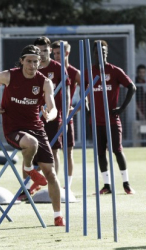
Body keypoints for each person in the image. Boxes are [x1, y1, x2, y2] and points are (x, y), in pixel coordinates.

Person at [0, 44, 65, 226]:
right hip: (13, 128)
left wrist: (49, 115)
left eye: (35, 61)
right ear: (21, 61)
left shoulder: (45, 82)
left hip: (36, 127)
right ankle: (29, 169)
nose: (32, 65)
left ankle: (58, 215)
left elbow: (52, 108)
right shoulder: (9, 75)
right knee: (31, 143)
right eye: (28, 61)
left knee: (51, 174)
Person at [16, 36, 70, 200]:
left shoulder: (59, 68)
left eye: (46, 51)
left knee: (54, 151)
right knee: (30, 152)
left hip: (52, 117)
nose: (43, 54)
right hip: (32, 119)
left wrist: (65, 117)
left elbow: (66, 93)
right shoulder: (29, 68)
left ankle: (55, 185)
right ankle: (25, 188)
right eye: (39, 51)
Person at [85, 40, 136, 195]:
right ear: (93, 53)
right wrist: (87, 109)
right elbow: (83, 92)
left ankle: (126, 183)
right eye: (98, 52)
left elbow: (131, 87)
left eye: (104, 52)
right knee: (100, 153)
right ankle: (107, 185)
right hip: (96, 121)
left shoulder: (114, 70)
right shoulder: (88, 72)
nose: (101, 54)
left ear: (107, 53)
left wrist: (122, 108)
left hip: (112, 120)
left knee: (117, 150)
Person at [51, 40, 81, 191]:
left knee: (68, 151)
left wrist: (74, 109)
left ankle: (67, 186)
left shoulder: (74, 73)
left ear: (66, 53)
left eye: (59, 53)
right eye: (54, 53)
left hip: (66, 118)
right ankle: (53, 184)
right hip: (51, 117)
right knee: (52, 151)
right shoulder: (51, 69)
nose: (56, 56)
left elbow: (88, 93)